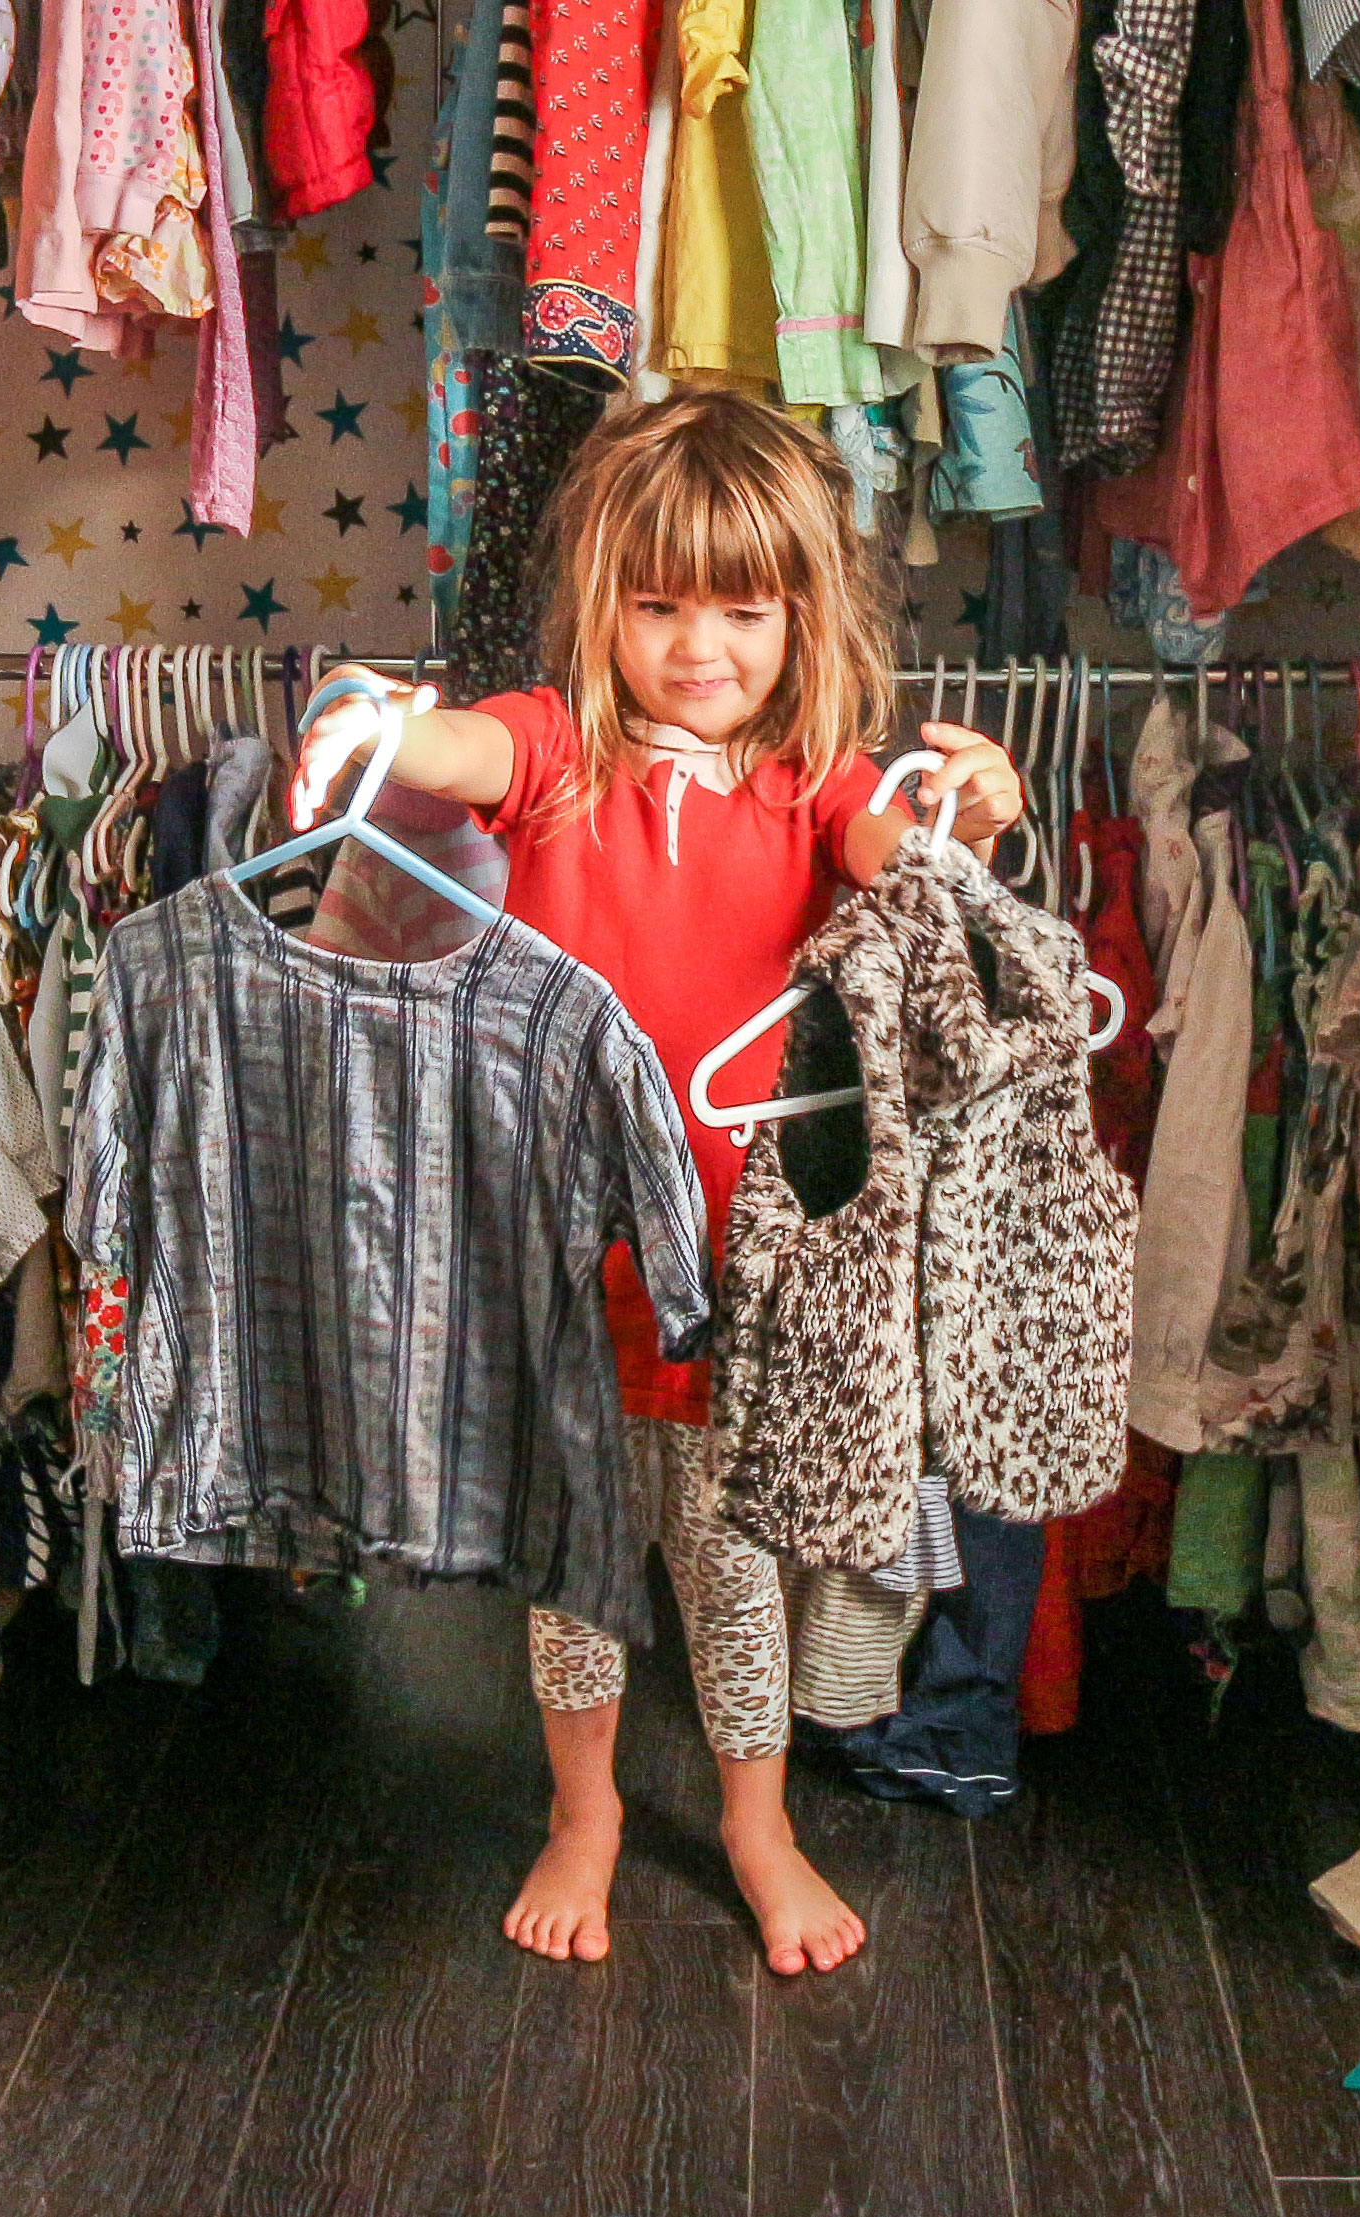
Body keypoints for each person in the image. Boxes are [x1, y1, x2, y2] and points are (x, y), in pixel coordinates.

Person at [292, 388, 1025, 1976]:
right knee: (574, 1569)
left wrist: (964, 813)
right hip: (560, 1251)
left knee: (728, 1561)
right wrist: (371, 719)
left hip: (731, 1274)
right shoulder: (554, 752)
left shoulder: (812, 780)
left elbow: (905, 844)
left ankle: (757, 1821)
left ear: (800, 613)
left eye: (742, 608)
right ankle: (585, 1809)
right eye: (659, 603)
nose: (700, 643)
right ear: (601, 606)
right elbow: (457, 745)